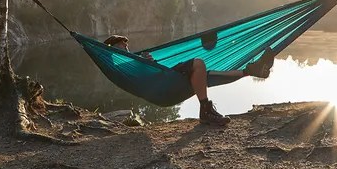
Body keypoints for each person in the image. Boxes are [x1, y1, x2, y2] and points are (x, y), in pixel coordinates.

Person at [103, 35, 274, 126]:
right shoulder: (123, 66)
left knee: (205, 74)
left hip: (171, 80)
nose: (125, 49)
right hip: (165, 87)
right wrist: (144, 63)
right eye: (120, 48)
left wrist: (149, 61)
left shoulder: (137, 59)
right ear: (112, 53)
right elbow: (144, 78)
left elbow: (152, 72)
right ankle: (206, 111)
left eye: (126, 46)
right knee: (198, 64)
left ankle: (252, 70)